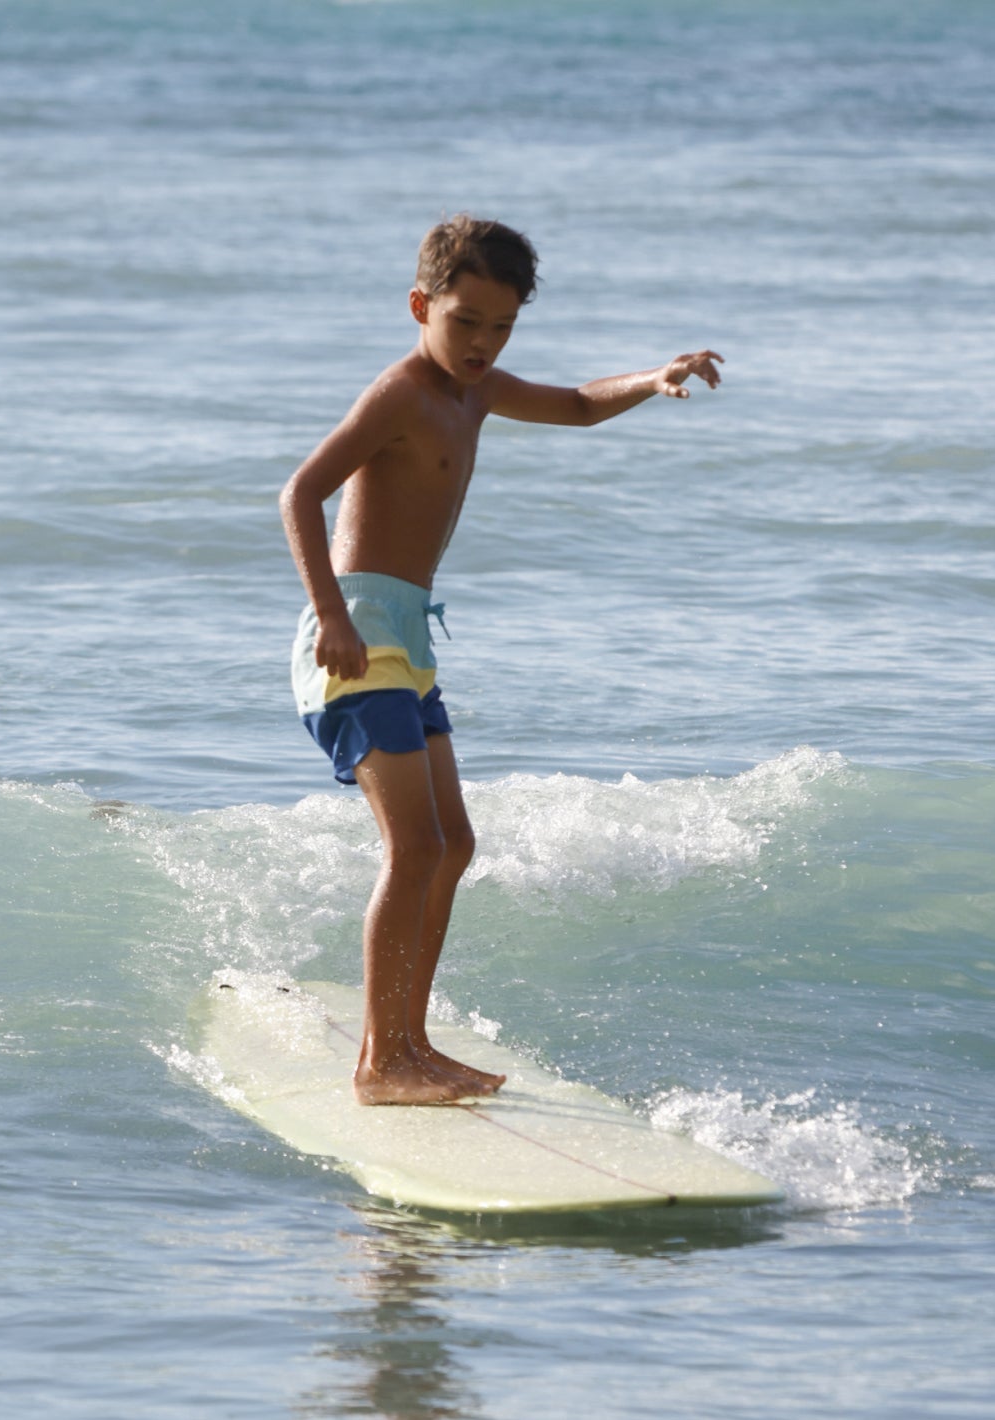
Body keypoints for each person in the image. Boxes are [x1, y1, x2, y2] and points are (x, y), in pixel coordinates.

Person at [279, 215, 723, 1105]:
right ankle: (380, 1064)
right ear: (421, 306)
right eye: (466, 322)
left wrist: (653, 376)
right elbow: (301, 491)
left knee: (454, 844)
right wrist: (329, 614)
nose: (483, 344)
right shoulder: (402, 391)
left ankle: (411, 1042)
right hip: (359, 635)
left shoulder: (474, 392)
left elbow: (576, 405)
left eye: (502, 327)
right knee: (413, 848)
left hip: (407, 637)